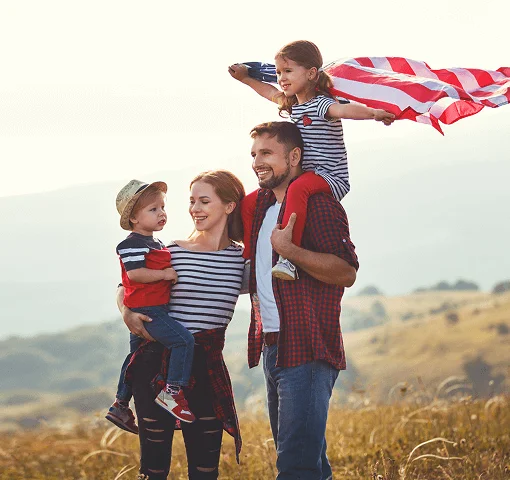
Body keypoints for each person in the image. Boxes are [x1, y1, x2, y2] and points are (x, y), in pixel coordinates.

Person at [245, 121, 359, 479]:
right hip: (273, 346)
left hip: (308, 347)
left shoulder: (320, 205)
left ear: (294, 156)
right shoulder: (262, 208)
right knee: (310, 464)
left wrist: (290, 251)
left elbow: (346, 272)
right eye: (253, 154)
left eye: (266, 153)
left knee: (295, 465)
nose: (256, 162)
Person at [118, 170, 246, 479]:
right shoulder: (170, 251)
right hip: (156, 365)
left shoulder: (241, 260)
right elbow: (127, 285)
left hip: (207, 367)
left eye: (204, 201)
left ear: (229, 206)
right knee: (153, 470)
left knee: (205, 472)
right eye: (191, 201)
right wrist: (127, 313)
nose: (195, 209)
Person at [229, 39, 392, 281]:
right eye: (278, 72)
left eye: (288, 71)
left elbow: (345, 111)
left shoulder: (321, 104)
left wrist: (373, 114)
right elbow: (269, 92)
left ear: (311, 73)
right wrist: (245, 79)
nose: (281, 78)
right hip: (309, 173)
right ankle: (250, 257)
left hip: (329, 175)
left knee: (297, 190)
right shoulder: (294, 105)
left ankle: (287, 257)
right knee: (251, 202)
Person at [107, 179, 197, 435]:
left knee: (134, 358)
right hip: (150, 310)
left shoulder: (154, 244)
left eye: (162, 207)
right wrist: (165, 274)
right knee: (183, 341)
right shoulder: (131, 244)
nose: (161, 214)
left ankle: (121, 404)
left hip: (149, 307)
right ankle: (173, 392)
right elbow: (134, 274)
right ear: (134, 218)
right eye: (153, 210)